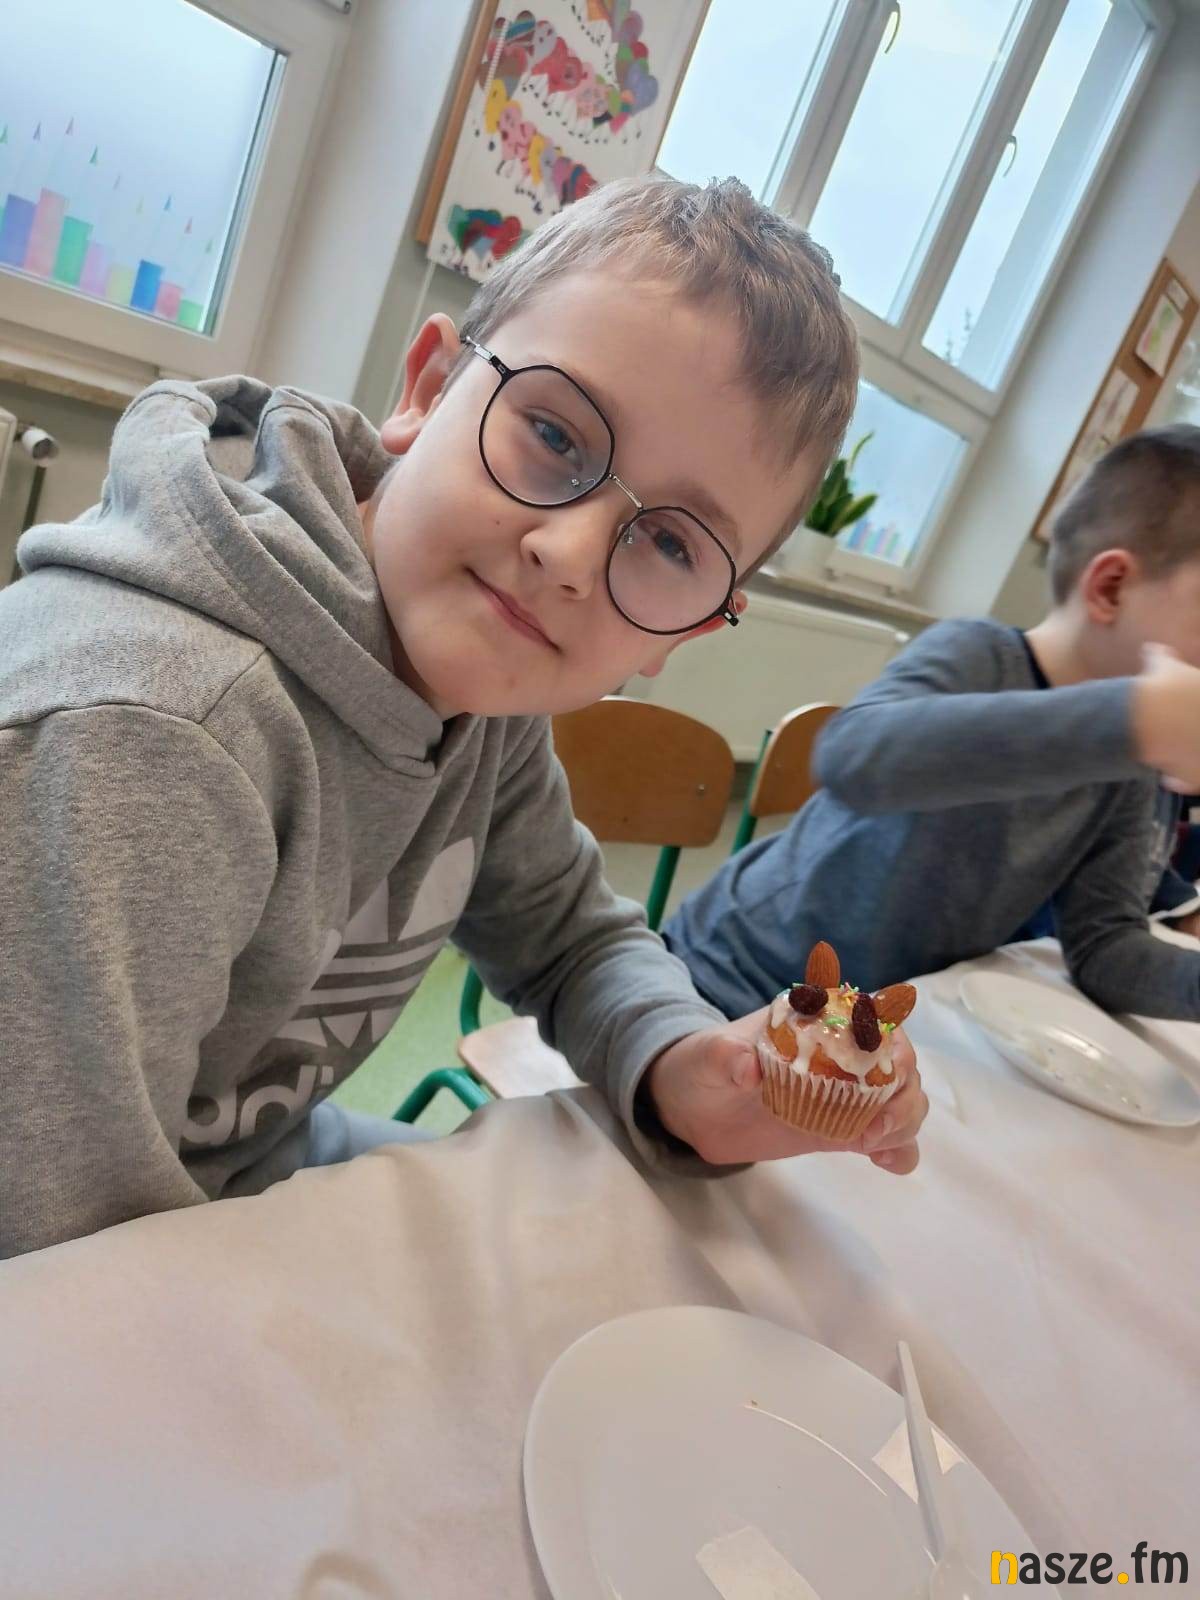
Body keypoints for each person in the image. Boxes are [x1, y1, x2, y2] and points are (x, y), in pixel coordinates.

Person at [0, 175, 929, 1259]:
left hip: (239, 1175)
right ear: (429, 386)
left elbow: (567, 935)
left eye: (673, 543)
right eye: (555, 435)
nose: (568, 555)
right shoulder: (151, 739)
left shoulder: (485, 696)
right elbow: (57, 1256)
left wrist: (681, 1064)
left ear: (686, 632)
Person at [664, 425, 1200, 1020]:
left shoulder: (1130, 762)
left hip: (860, 1033)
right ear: (1111, 587)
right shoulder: (978, 656)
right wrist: (1138, 718)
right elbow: (854, 757)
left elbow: (1106, 947)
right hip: (726, 979)